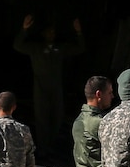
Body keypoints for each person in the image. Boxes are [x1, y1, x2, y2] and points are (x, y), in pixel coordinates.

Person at [13, 14, 84, 149]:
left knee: (57, 117)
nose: (51, 34)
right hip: (40, 87)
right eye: (48, 32)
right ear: (43, 34)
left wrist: (78, 32)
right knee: (42, 118)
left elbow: (80, 48)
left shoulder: (60, 48)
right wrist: (24, 29)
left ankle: (54, 146)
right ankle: (43, 148)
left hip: (56, 88)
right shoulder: (36, 48)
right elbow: (18, 45)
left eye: (53, 32)